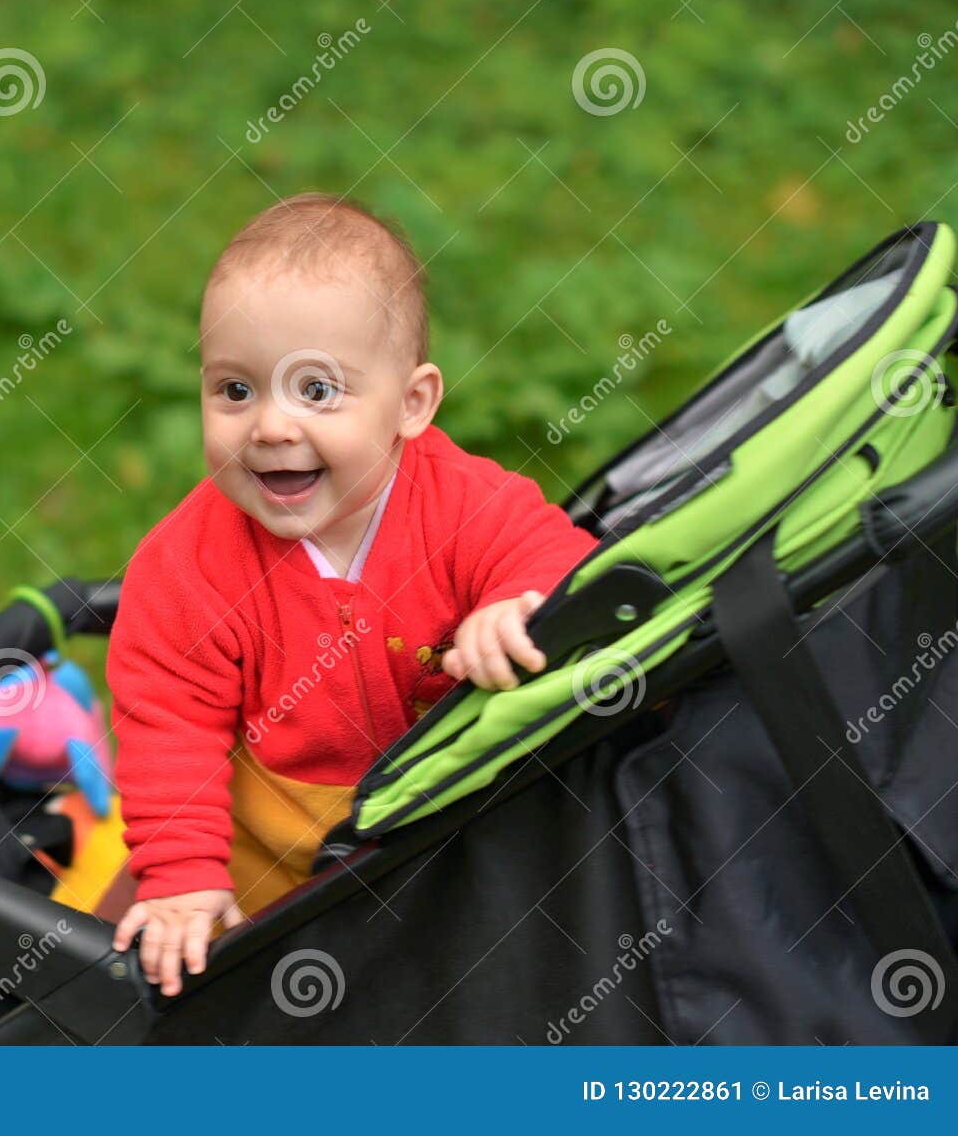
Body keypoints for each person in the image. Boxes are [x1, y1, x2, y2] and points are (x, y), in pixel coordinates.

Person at [105, 193, 600, 996]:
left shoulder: (464, 504)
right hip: (259, 859)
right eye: (235, 391)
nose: (268, 427)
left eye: (316, 391)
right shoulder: (187, 565)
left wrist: (516, 603)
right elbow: (167, 725)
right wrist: (183, 875)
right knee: (140, 957)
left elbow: (561, 557)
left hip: (442, 841)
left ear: (412, 404)